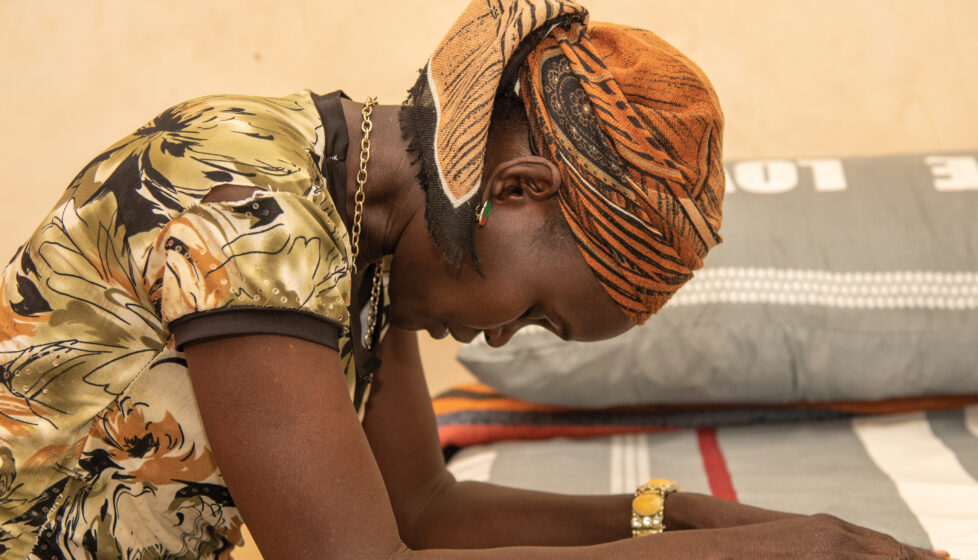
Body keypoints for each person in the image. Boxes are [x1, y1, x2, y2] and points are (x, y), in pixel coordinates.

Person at [0, 1, 953, 558]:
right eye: (540, 309)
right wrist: (767, 551)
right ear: (517, 188)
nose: (502, 339)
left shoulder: (367, 252)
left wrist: (670, 515)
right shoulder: (245, 192)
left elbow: (424, 512)